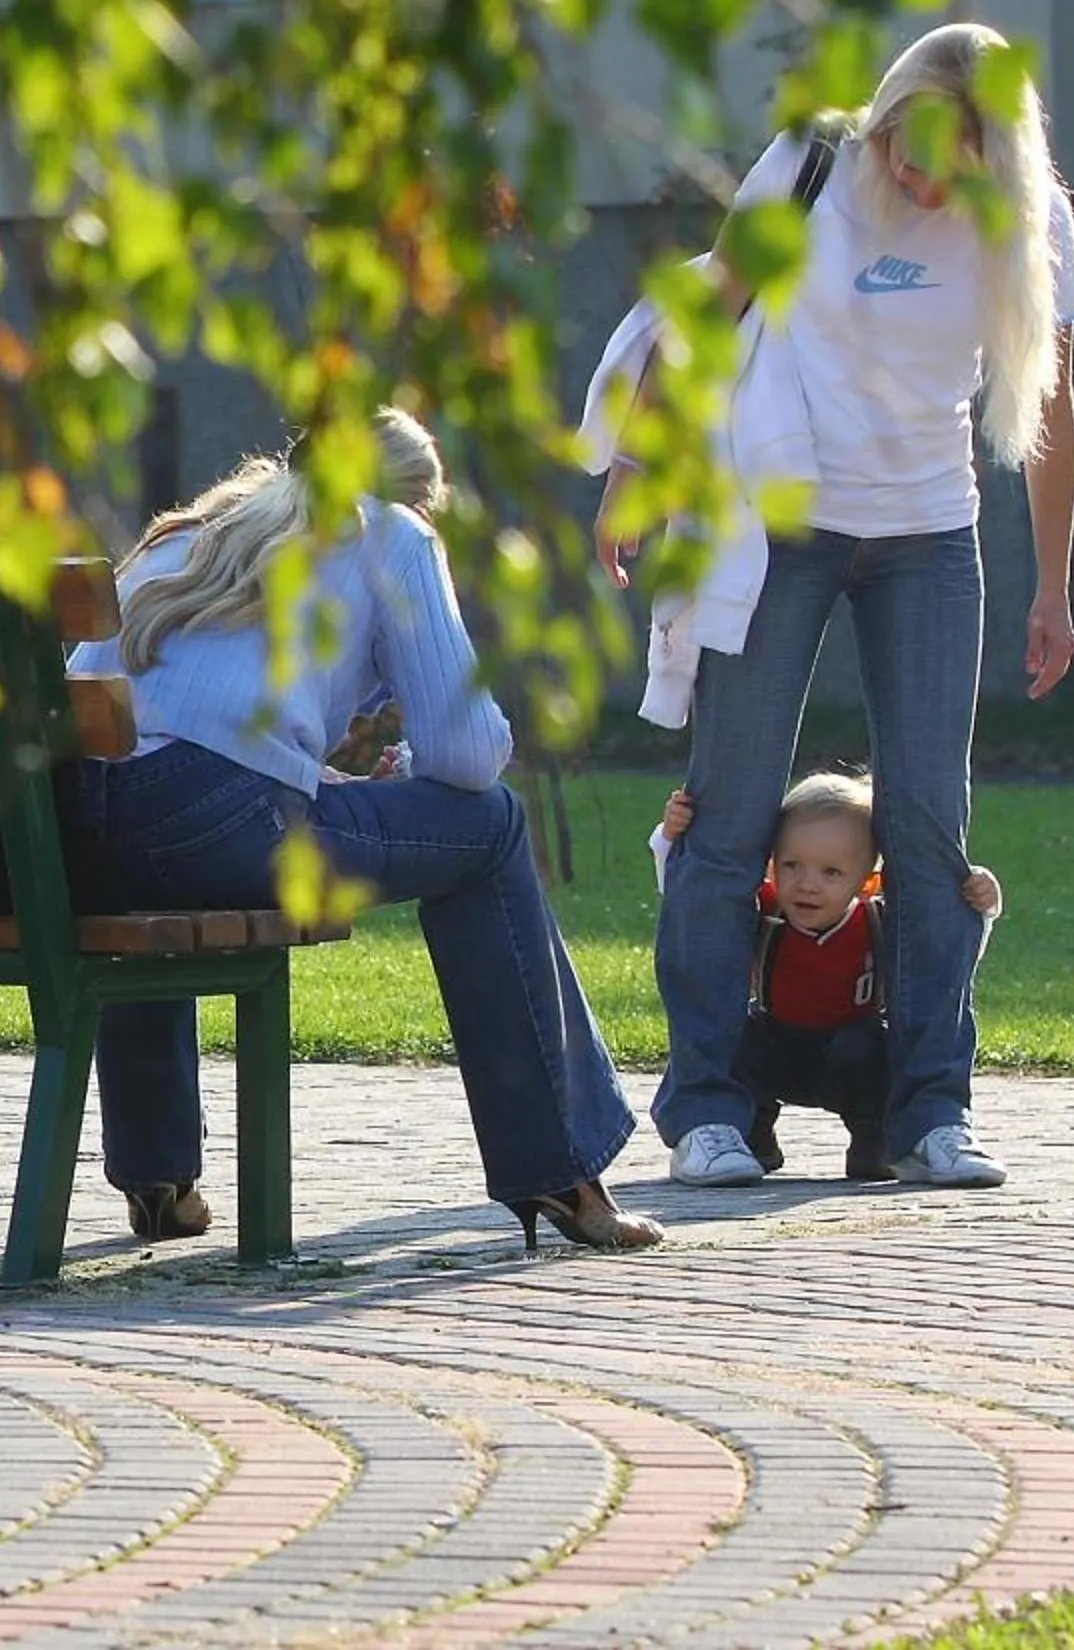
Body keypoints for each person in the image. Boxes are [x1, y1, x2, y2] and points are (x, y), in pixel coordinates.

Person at [601, 23, 1074, 1191]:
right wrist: (633, 476)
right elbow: (701, 314)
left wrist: (1056, 586)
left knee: (926, 828)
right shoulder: (811, 164)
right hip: (782, 523)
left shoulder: (1037, 224)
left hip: (929, 534)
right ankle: (708, 1106)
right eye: (905, 151)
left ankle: (931, 1109)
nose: (917, 181)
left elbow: (1055, 419)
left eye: (945, 165)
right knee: (726, 817)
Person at [70, 410, 662, 1256]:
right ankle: (559, 1168)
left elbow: (164, 732)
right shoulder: (391, 536)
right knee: (491, 828)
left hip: (96, 834)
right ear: (415, 499)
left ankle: (159, 1176)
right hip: (228, 831)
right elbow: (466, 756)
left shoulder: (192, 534)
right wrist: (413, 761)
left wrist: (314, 778)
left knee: (167, 859)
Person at [653, 773, 1004, 1181]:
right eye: (792, 866)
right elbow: (693, 912)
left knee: (873, 1044)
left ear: (868, 882)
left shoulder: (880, 921)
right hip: (776, 1043)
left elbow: (940, 965)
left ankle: (876, 1141)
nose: (807, 885)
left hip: (850, 1056)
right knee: (735, 1034)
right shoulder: (764, 912)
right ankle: (748, 1132)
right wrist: (670, 839)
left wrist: (981, 908)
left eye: (831, 872)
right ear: (771, 866)